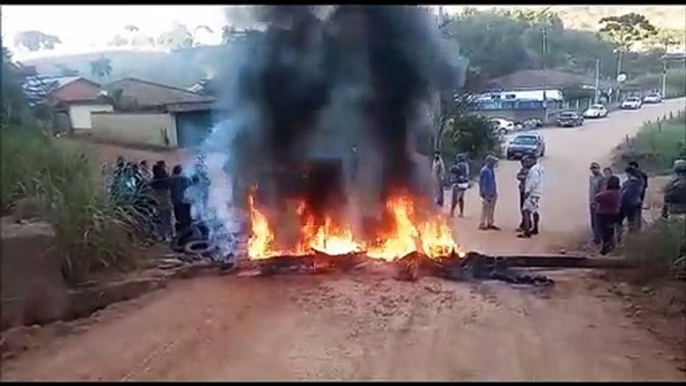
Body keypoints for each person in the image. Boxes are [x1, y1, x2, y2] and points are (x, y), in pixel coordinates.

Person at [594, 175, 621, 255]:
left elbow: (597, 197)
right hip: (615, 213)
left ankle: (605, 248)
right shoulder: (619, 193)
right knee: (611, 231)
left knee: (604, 232)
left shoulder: (607, 193)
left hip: (603, 214)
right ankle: (611, 247)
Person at [518, 154, 544, 238]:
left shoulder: (533, 170)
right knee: (534, 210)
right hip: (537, 192)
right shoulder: (539, 168)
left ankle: (527, 231)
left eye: (529, 160)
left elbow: (533, 181)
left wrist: (528, 191)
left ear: (533, 160)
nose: (527, 162)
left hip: (531, 193)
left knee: (525, 210)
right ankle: (535, 228)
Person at [618, 166, 645, 240]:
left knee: (620, 222)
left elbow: (624, 193)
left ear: (629, 173)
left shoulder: (628, 183)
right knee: (633, 221)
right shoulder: (640, 182)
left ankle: (622, 238)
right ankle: (634, 237)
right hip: (636, 203)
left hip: (627, 204)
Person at [151, 161, 173, 242]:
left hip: (159, 203)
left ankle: (163, 236)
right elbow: (170, 183)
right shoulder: (166, 181)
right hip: (166, 201)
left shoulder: (153, 182)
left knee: (162, 219)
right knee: (168, 219)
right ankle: (170, 235)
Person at [478, 154, 499, 231]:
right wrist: (484, 194)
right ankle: (482, 223)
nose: (494, 164)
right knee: (485, 209)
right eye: (493, 162)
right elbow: (482, 183)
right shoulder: (485, 170)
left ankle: (490, 223)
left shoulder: (490, 170)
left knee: (491, 209)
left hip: (492, 192)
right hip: (487, 194)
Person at [170, 165, 193, 233]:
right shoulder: (182, 178)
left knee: (178, 218)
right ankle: (187, 231)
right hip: (183, 200)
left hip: (174, 200)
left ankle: (179, 231)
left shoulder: (171, 179)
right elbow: (188, 184)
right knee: (186, 217)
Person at [627, 160, 648, 230]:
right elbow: (645, 186)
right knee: (637, 212)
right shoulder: (643, 174)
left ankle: (634, 228)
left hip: (636, 196)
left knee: (634, 212)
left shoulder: (636, 175)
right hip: (640, 195)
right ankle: (637, 227)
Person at [588, 162, 605, 245]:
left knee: (598, 221)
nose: (594, 170)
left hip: (598, 203)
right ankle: (595, 237)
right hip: (592, 202)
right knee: (593, 221)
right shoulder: (591, 178)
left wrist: (597, 202)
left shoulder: (602, 179)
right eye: (592, 168)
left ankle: (598, 238)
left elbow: (602, 191)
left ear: (599, 168)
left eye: (595, 168)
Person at [449, 153, 470, 217]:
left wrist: (451, 168)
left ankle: (452, 212)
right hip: (464, 184)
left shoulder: (460, 165)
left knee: (455, 199)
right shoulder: (466, 165)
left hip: (459, 184)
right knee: (461, 199)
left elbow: (453, 169)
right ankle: (461, 212)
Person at [515, 157, 531, 231]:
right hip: (522, 190)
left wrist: (523, 177)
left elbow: (527, 178)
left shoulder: (531, 170)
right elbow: (518, 176)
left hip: (527, 191)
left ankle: (526, 224)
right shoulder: (523, 170)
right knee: (522, 207)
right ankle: (525, 222)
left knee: (526, 208)